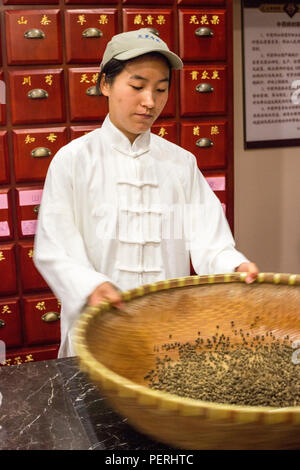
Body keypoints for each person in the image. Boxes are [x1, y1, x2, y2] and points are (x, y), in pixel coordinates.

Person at [33, 28, 259, 358]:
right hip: (97, 331)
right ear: (105, 84)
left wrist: (234, 266)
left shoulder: (181, 163)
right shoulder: (74, 160)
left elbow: (209, 241)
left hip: (166, 331)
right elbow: (55, 248)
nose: (150, 102)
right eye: (137, 87)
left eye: (161, 89)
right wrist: (90, 286)